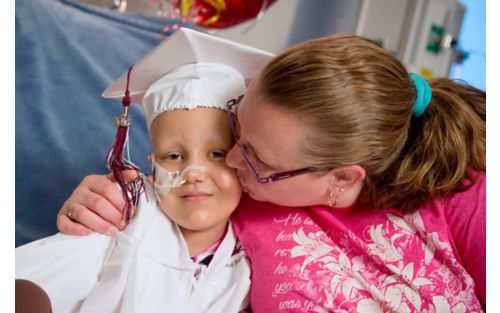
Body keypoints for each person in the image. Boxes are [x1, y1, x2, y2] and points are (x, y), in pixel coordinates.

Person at [56, 32, 486, 312]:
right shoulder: (233, 195)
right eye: (236, 127)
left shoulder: (466, 191)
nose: (232, 161)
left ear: (342, 179)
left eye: (260, 161)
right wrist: (99, 205)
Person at [16, 28, 273, 313]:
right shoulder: (122, 222)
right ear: (152, 166)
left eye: (217, 154)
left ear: (243, 160)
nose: (194, 173)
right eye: (174, 156)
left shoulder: (252, 262)